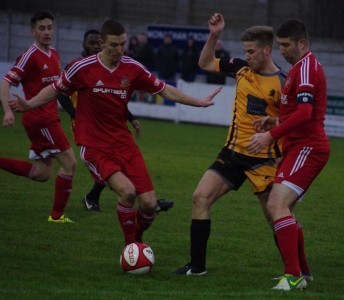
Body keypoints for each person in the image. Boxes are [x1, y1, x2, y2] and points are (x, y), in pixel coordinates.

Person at [9, 19, 221, 247]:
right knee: (128, 192)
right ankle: (131, 247)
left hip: (124, 144)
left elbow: (164, 89)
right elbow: (54, 91)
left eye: (123, 44)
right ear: (101, 43)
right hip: (94, 146)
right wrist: (29, 104)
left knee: (149, 204)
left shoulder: (132, 68)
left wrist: (197, 102)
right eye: (114, 45)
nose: (120, 50)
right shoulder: (83, 67)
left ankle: (136, 242)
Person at [175, 13, 287, 276]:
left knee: (276, 216)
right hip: (233, 153)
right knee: (200, 197)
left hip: (266, 159)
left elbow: (295, 120)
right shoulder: (239, 68)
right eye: (245, 51)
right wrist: (214, 35)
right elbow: (204, 63)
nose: (246, 56)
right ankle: (197, 267)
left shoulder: (284, 81)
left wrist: (275, 126)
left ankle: (294, 270)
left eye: (251, 51)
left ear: (267, 50)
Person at [247, 19, 330, 291]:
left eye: (285, 45)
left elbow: (306, 115)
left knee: (276, 205)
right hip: (297, 147)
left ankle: (293, 275)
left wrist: (270, 136)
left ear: (301, 43)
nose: (281, 50)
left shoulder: (306, 68)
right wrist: (274, 122)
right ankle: (302, 274)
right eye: (280, 45)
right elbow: (297, 111)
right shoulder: (298, 69)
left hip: (308, 147)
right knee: (285, 210)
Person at [57, 29, 146, 212]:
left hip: (107, 124)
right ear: (84, 44)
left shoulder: (109, 67)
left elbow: (114, 100)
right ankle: (108, 194)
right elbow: (60, 93)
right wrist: (74, 113)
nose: (93, 46)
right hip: (86, 125)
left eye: (95, 42)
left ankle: (93, 196)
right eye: (90, 42)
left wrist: (131, 118)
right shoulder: (77, 66)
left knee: (114, 163)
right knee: (108, 163)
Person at [0, 11, 76, 223]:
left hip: (49, 117)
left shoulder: (54, 54)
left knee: (42, 173)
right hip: (40, 119)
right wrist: (7, 110)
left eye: (50, 27)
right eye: (41, 28)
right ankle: (57, 216)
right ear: (33, 31)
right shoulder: (29, 56)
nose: (47, 32)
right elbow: (5, 83)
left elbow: (58, 88)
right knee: (70, 163)